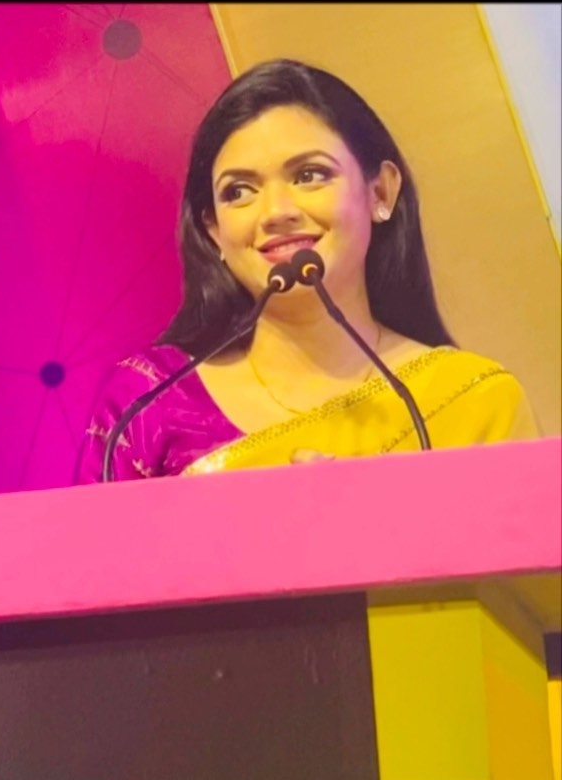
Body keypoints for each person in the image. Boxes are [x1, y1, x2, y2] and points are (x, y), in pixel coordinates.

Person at [76, 60, 539, 483]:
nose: (276, 212)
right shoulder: (148, 404)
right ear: (214, 230)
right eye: (239, 191)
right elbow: (89, 550)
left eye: (310, 175)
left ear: (380, 193)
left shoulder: (472, 401)